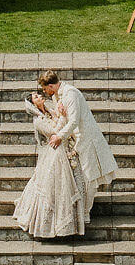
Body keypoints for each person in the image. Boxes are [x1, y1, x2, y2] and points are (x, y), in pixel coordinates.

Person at [12, 87, 88, 238]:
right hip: (54, 152)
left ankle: (77, 218)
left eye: (38, 95)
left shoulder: (50, 111)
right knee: (56, 186)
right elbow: (53, 132)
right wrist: (63, 117)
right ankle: (55, 223)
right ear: (33, 104)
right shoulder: (38, 120)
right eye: (35, 97)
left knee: (73, 181)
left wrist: (61, 114)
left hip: (64, 148)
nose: (39, 96)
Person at [40, 69, 118, 200]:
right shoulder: (57, 96)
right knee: (82, 175)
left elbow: (74, 121)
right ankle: (84, 210)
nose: (44, 92)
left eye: (44, 89)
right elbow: (64, 117)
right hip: (76, 138)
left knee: (90, 176)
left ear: (51, 86)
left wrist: (59, 137)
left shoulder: (71, 94)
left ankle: (86, 212)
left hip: (86, 137)